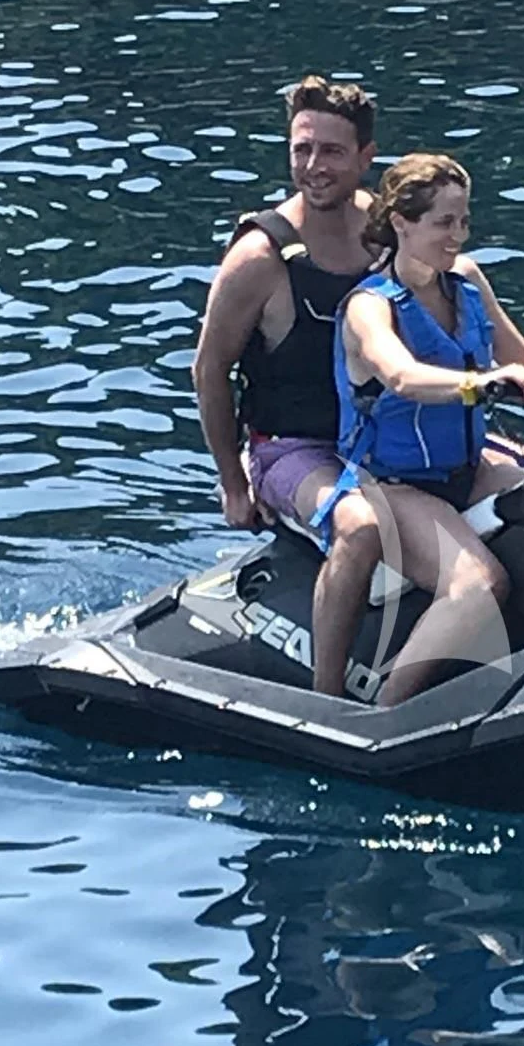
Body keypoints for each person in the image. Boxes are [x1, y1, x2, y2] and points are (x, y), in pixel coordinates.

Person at [329, 152, 524, 706]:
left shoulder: (466, 281)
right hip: (393, 485)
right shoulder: (369, 307)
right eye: (444, 223)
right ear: (402, 223)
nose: (458, 235)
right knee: (479, 585)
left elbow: (523, 357)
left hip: (466, 468)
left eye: (464, 221)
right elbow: (402, 376)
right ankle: (384, 712)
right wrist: (479, 383)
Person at [192, 74, 389, 699]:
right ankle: (328, 699)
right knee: (360, 528)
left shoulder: (387, 233)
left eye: (331, 151)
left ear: (365, 156)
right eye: (301, 149)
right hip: (291, 450)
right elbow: (209, 370)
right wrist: (233, 483)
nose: (313, 166)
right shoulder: (260, 258)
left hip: (381, 441)